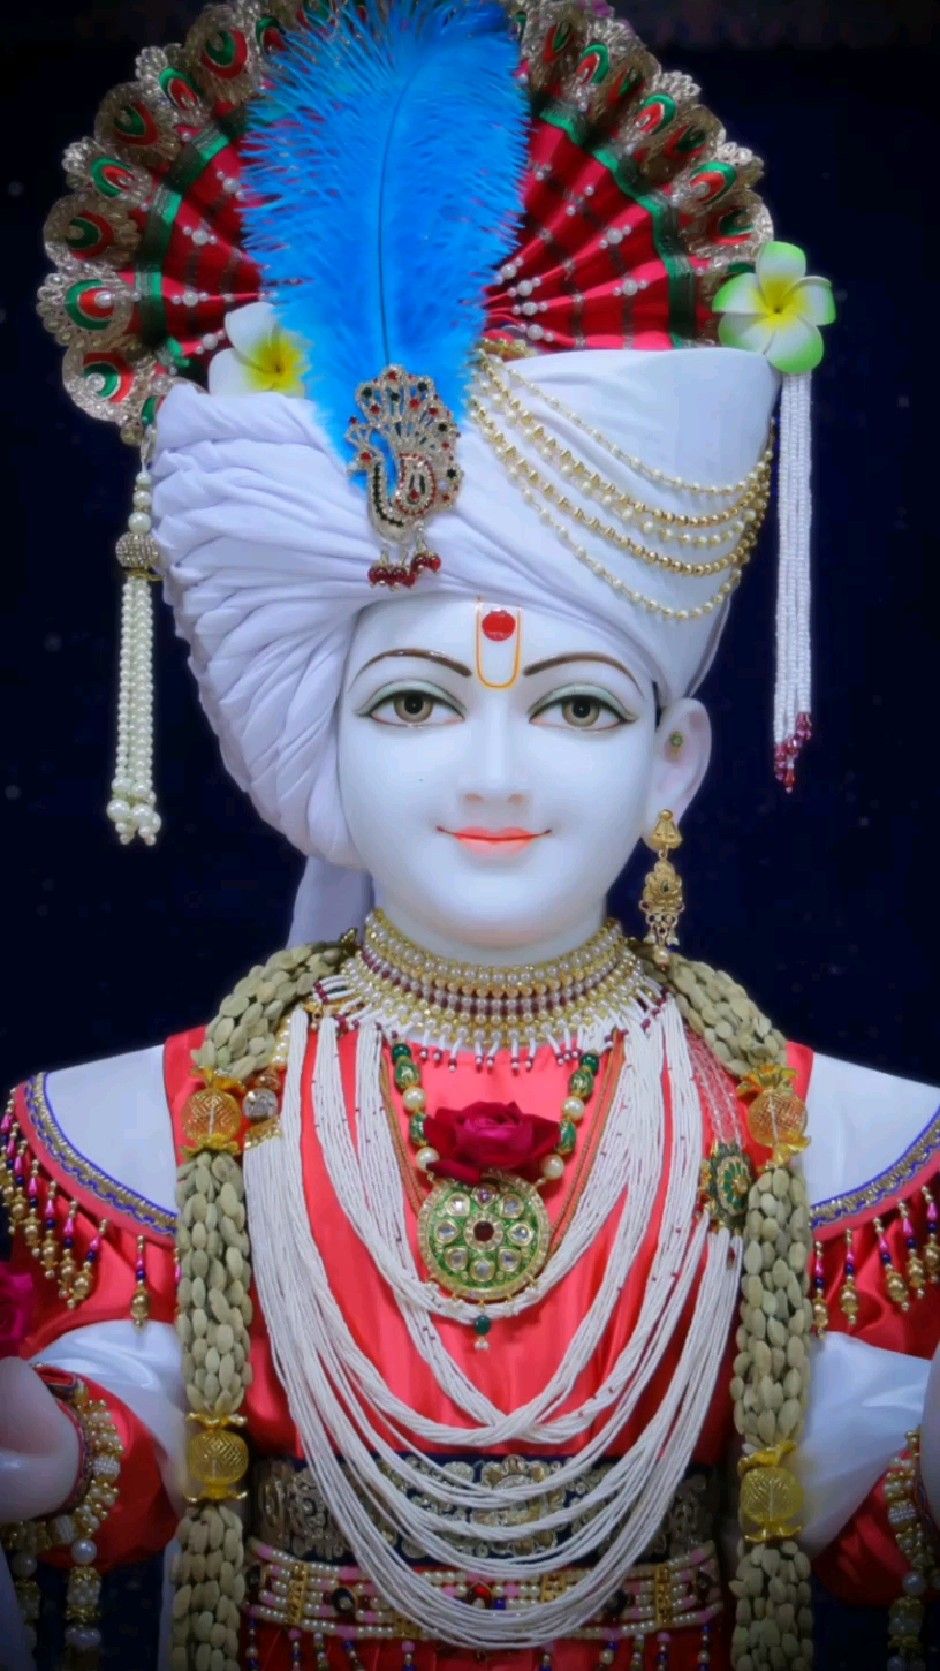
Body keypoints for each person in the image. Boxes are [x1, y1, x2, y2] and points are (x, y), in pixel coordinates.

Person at [1, 2, 937, 1668]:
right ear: (319, 755)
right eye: (415, 706)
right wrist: (58, 1451)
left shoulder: (835, 1141)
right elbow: (108, 1469)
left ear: (675, 765)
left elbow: (871, 1511)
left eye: (576, 710)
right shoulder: (140, 1134)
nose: (493, 770)